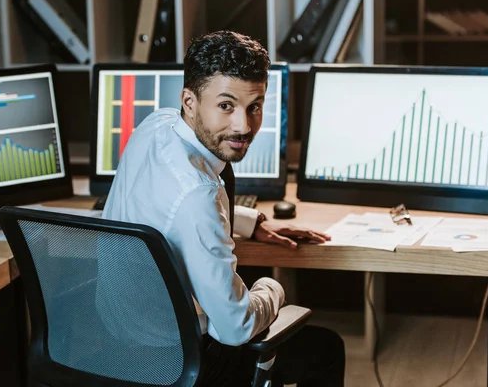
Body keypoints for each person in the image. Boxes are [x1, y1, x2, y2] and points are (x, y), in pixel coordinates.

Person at [101, 30, 345, 386]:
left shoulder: (156, 125)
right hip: (174, 360)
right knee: (325, 349)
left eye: (255, 106)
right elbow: (235, 328)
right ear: (190, 101)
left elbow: (168, 211)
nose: (244, 125)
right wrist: (272, 289)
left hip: (116, 334)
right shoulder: (199, 194)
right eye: (226, 106)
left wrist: (249, 221)